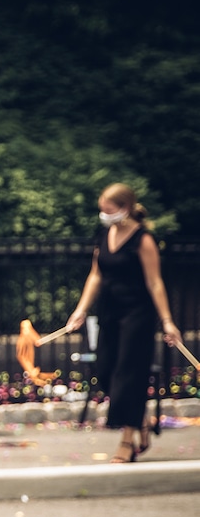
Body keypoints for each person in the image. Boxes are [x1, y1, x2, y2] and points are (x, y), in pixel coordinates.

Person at [62, 183, 181, 463]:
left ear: (125, 208)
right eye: (102, 210)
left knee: (129, 375)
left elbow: (155, 282)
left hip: (137, 314)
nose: (104, 214)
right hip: (110, 312)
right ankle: (141, 421)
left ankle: (127, 442)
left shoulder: (143, 239)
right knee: (105, 371)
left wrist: (167, 321)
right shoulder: (104, 234)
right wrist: (80, 311)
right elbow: (95, 275)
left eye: (108, 209)